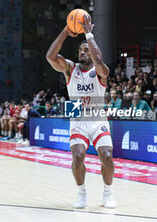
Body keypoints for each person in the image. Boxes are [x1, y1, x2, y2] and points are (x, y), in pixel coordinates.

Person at [46, 15, 116, 208]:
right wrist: (65, 32)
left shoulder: (101, 70)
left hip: (97, 115)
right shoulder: (70, 68)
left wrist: (88, 34)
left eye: (87, 50)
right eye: (81, 50)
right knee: (77, 155)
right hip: (77, 114)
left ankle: (108, 193)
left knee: (107, 156)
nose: (83, 52)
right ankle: (81, 193)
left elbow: (99, 58)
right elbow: (50, 57)